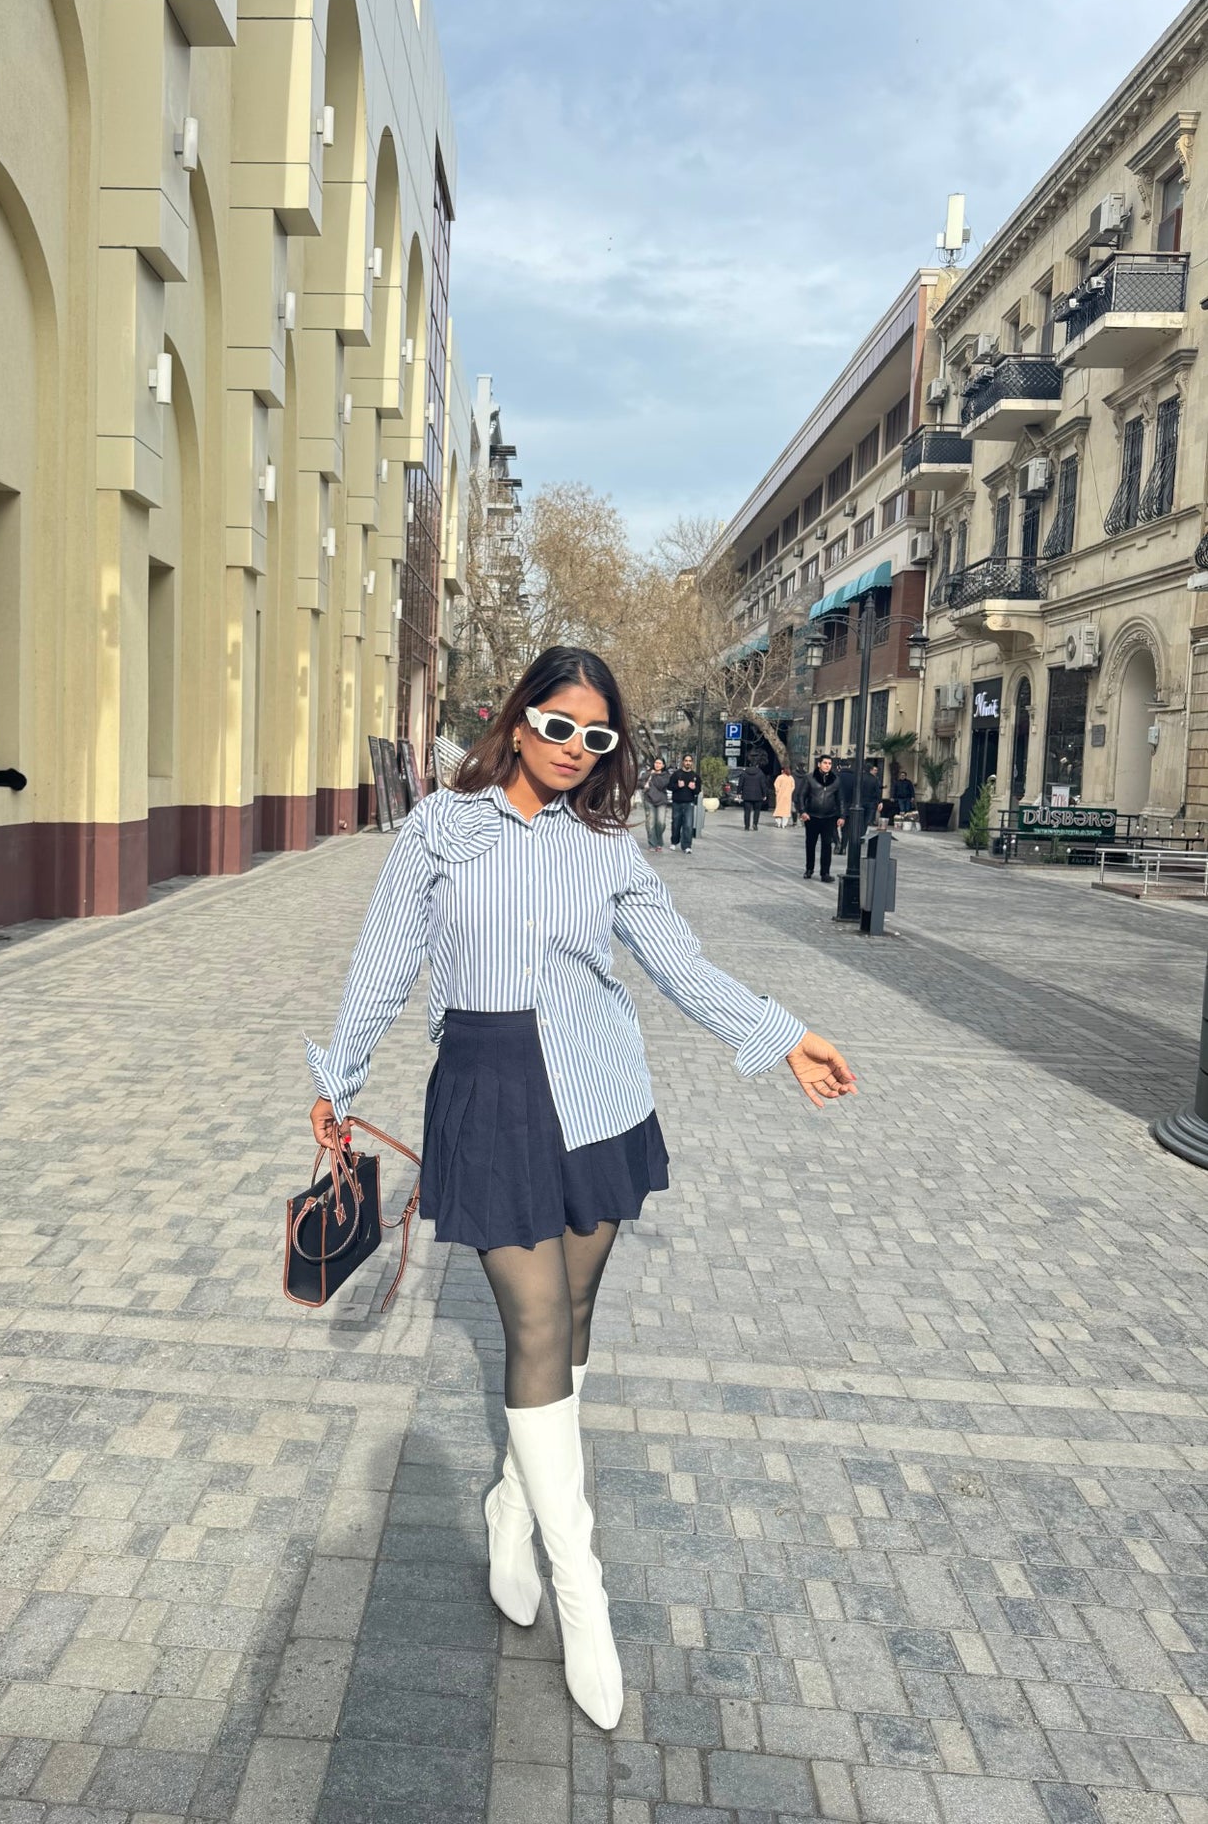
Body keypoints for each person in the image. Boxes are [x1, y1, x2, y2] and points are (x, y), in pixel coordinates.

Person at [305, 647, 856, 1733]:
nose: (571, 750)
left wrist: (782, 1033)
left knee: (578, 1314)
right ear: (517, 722)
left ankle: (513, 1502)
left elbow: (677, 963)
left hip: (598, 1094)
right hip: (487, 1090)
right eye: (556, 725)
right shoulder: (438, 829)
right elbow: (381, 959)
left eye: (594, 737)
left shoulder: (607, 845)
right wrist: (337, 1075)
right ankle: (582, 1590)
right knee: (538, 1319)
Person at [801, 754, 844, 882]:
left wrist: (842, 815)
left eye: (829, 764)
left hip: (829, 817)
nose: (827, 766)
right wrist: (803, 811)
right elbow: (801, 796)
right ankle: (809, 869)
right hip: (812, 816)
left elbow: (840, 799)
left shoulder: (836, 780)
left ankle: (825, 873)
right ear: (819, 764)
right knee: (810, 844)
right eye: (825, 763)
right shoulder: (809, 778)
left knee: (827, 845)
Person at [668, 754, 701, 854]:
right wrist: (677, 786)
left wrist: (693, 788)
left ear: (692, 762)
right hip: (677, 802)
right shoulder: (676, 774)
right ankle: (674, 842)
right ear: (683, 762)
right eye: (686, 760)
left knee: (688, 825)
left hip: (689, 803)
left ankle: (687, 845)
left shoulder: (695, 776)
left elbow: (698, 791)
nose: (688, 762)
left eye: (690, 761)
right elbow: (669, 787)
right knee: (676, 823)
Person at [642, 756, 670, 852]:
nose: (657, 765)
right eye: (656, 763)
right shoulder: (648, 773)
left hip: (661, 801)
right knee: (650, 823)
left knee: (660, 823)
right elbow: (640, 783)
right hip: (648, 800)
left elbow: (660, 785)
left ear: (663, 765)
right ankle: (652, 844)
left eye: (659, 763)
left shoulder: (666, 775)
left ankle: (659, 841)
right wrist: (649, 776)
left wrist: (654, 776)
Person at [738, 760, 768, 832]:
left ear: (750, 765)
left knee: (747, 811)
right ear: (757, 765)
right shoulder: (760, 773)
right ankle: (755, 824)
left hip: (747, 795)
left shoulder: (744, 773)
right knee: (757, 811)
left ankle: (747, 826)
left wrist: (739, 793)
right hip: (758, 795)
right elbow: (763, 785)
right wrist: (764, 794)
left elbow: (740, 784)